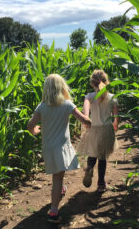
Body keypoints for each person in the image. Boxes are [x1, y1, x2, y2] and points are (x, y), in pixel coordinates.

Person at [27, 74, 91, 224]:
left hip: (48, 147)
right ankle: (54, 212)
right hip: (61, 147)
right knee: (58, 177)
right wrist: (91, 122)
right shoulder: (67, 104)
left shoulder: (41, 106)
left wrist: (35, 130)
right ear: (62, 87)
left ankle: (60, 190)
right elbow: (84, 120)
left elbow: (30, 125)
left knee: (57, 174)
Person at [77, 69, 119, 192]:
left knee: (92, 153)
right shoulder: (112, 97)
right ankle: (101, 184)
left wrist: (86, 117)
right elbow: (116, 115)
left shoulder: (90, 96)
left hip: (93, 129)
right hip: (106, 130)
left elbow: (86, 105)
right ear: (106, 82)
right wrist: (116, 125)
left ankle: (89, 168)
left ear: (92, 83)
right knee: (102, 157)